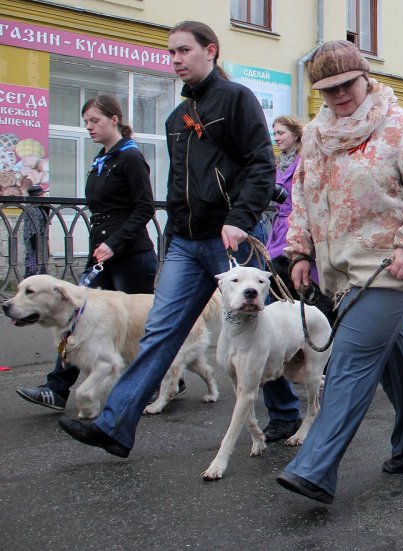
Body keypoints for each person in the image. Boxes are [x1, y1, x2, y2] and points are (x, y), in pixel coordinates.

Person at [57, 21, 274, 456]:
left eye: (183, 51)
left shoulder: (235, 100)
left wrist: (240, 218)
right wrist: (170, 239)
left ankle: (284, 409)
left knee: (252, 327)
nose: (175, 59)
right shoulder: (177, 117)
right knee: (159, 330)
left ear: (210, 51)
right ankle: (115, 426)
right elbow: (178, 185)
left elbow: (261, 163)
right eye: (170, 52)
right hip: (185, 242)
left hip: (227, 236)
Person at [275, 40, 403, 505]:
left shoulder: (401, 127)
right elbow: (304, 195)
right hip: (341, 267)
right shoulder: (315, 133)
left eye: (345, 84)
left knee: (350, 359)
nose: (337, 96)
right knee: (393, 357)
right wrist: (300, 252)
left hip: (393, 266)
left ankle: (314, 467)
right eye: (326, 89)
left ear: (365, 76)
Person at [16, 95, 159, 412]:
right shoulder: (103, 158)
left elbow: (144, 208)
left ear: (114, 119)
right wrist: (101, 246)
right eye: (86, 122)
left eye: (95, 121)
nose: (89, 127)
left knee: (140, 326)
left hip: (131, 256)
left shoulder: (130, 158)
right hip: (103, 256)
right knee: (73, 317)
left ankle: (163, 382)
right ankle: (57, 389)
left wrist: (115, 242)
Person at [260, 115, 306, 443]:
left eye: (282, 132)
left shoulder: (305, 161)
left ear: (295, 134)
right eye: (274, 133)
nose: (277, 137)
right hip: (277, 237)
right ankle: (284, 409)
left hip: (298, 241)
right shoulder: (280, 163)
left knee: (302, 313)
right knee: (271, 314)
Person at [23, 184, 50, 279]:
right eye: (41, 195)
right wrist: (36, 244)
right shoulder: (33, 209)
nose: (43, 196)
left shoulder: (39, 207)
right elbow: (32, 228)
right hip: (35, 244)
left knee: (40, 268)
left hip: (40, 242)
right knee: (33, 268)